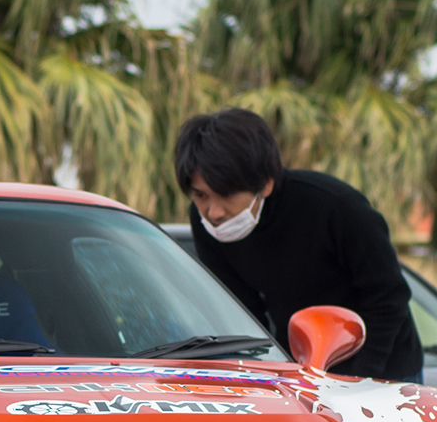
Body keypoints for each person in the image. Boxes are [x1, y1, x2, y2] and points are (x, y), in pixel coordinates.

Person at [175, 108, 422, 381]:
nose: (213, 212)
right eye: (200, 195)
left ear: (266, 185)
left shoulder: (336, 207)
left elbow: (388, 297)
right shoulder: (206, 224)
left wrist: (362, 381)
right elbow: (244, 313)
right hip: (301, 369)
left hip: (385, 367)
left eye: (226, 194)